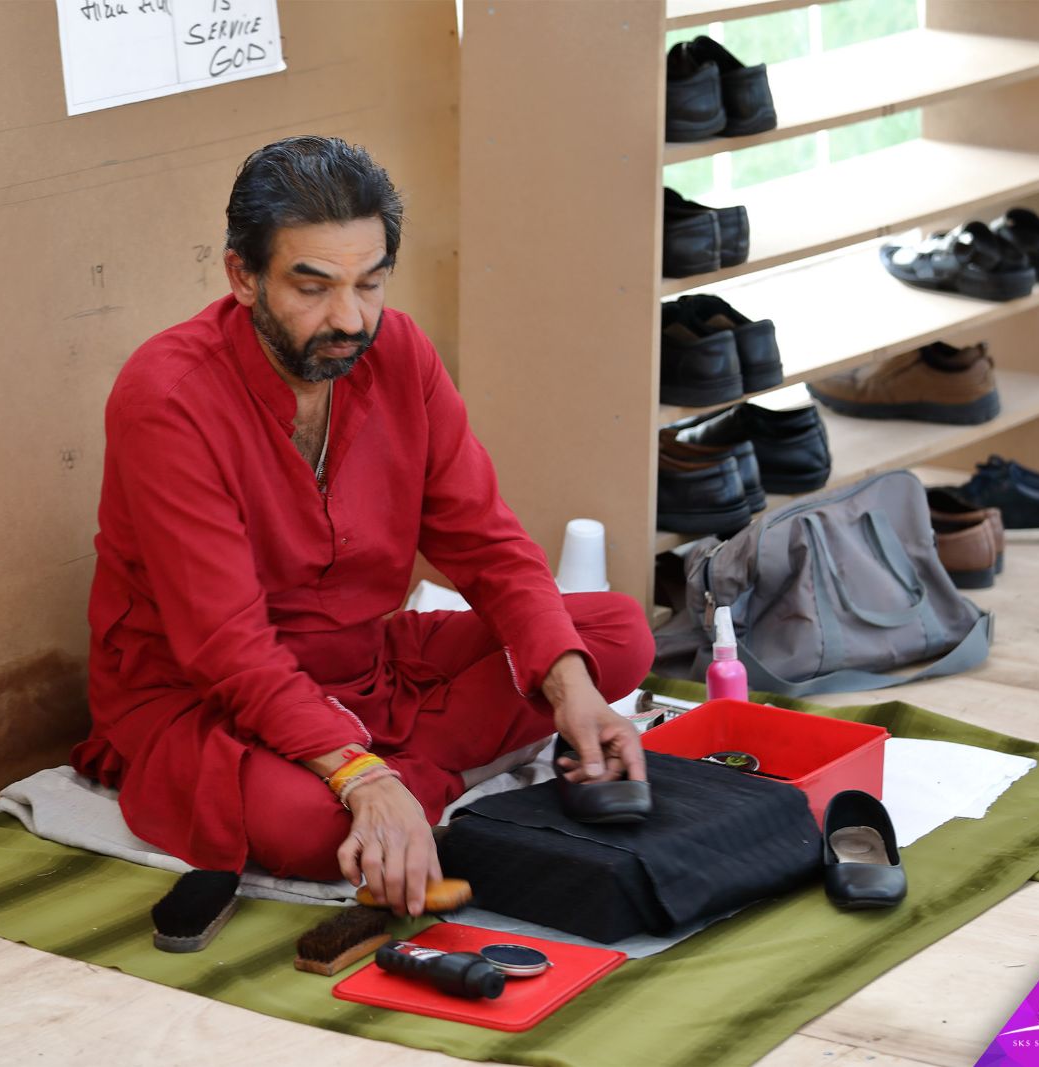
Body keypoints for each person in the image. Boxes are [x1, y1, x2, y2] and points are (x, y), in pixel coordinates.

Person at [72, 135, 655, 917]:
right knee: (317, 828)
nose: (347, 318)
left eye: (369, 284)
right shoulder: (167, 396)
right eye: (312, 287)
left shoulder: (400, 353)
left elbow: (486, 542)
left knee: (611, 636)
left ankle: (403, 786)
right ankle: (398, 784)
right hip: (205, 698)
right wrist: (363, 778)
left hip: (366, 662)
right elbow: (224, 646)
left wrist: (571, 688)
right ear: (242, 276)